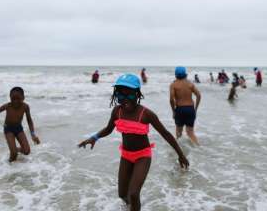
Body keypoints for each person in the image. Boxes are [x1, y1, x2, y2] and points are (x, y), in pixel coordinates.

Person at [78, 74, 189, 211]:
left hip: (143, 156)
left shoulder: (146, 114)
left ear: (137, 94)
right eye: (120, 95)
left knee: (134, 193)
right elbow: (108, 129)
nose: (124, 99)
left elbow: (165, 134)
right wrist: (94, 138)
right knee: (122, 195)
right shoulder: (117, 111)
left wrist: (180, 154)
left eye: (129, 95)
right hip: (126, 155)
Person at [0, 87, 40, 162]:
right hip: (8, 129)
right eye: (13, 98)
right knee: (14, 154)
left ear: (23, 98)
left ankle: (14, 149)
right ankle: (8, 167)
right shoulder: (7, 106)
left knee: (27, 151)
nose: (15, 101)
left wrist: (33, 134)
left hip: (19, 128)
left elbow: (29, 120)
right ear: (10, 98)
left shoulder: (25, 107)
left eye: (18, 98)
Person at [170, 67, 201, 145]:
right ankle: (199, 148)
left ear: (175, 75)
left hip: (179, 109)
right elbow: (199, 95)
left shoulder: (173, 85)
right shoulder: (190, 84)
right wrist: (195, 108)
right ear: (185, 74)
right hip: (190, 109)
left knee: (178, 132)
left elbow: (171, 99)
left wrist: (173, 111)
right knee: (190, 132)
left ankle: (178, 151)